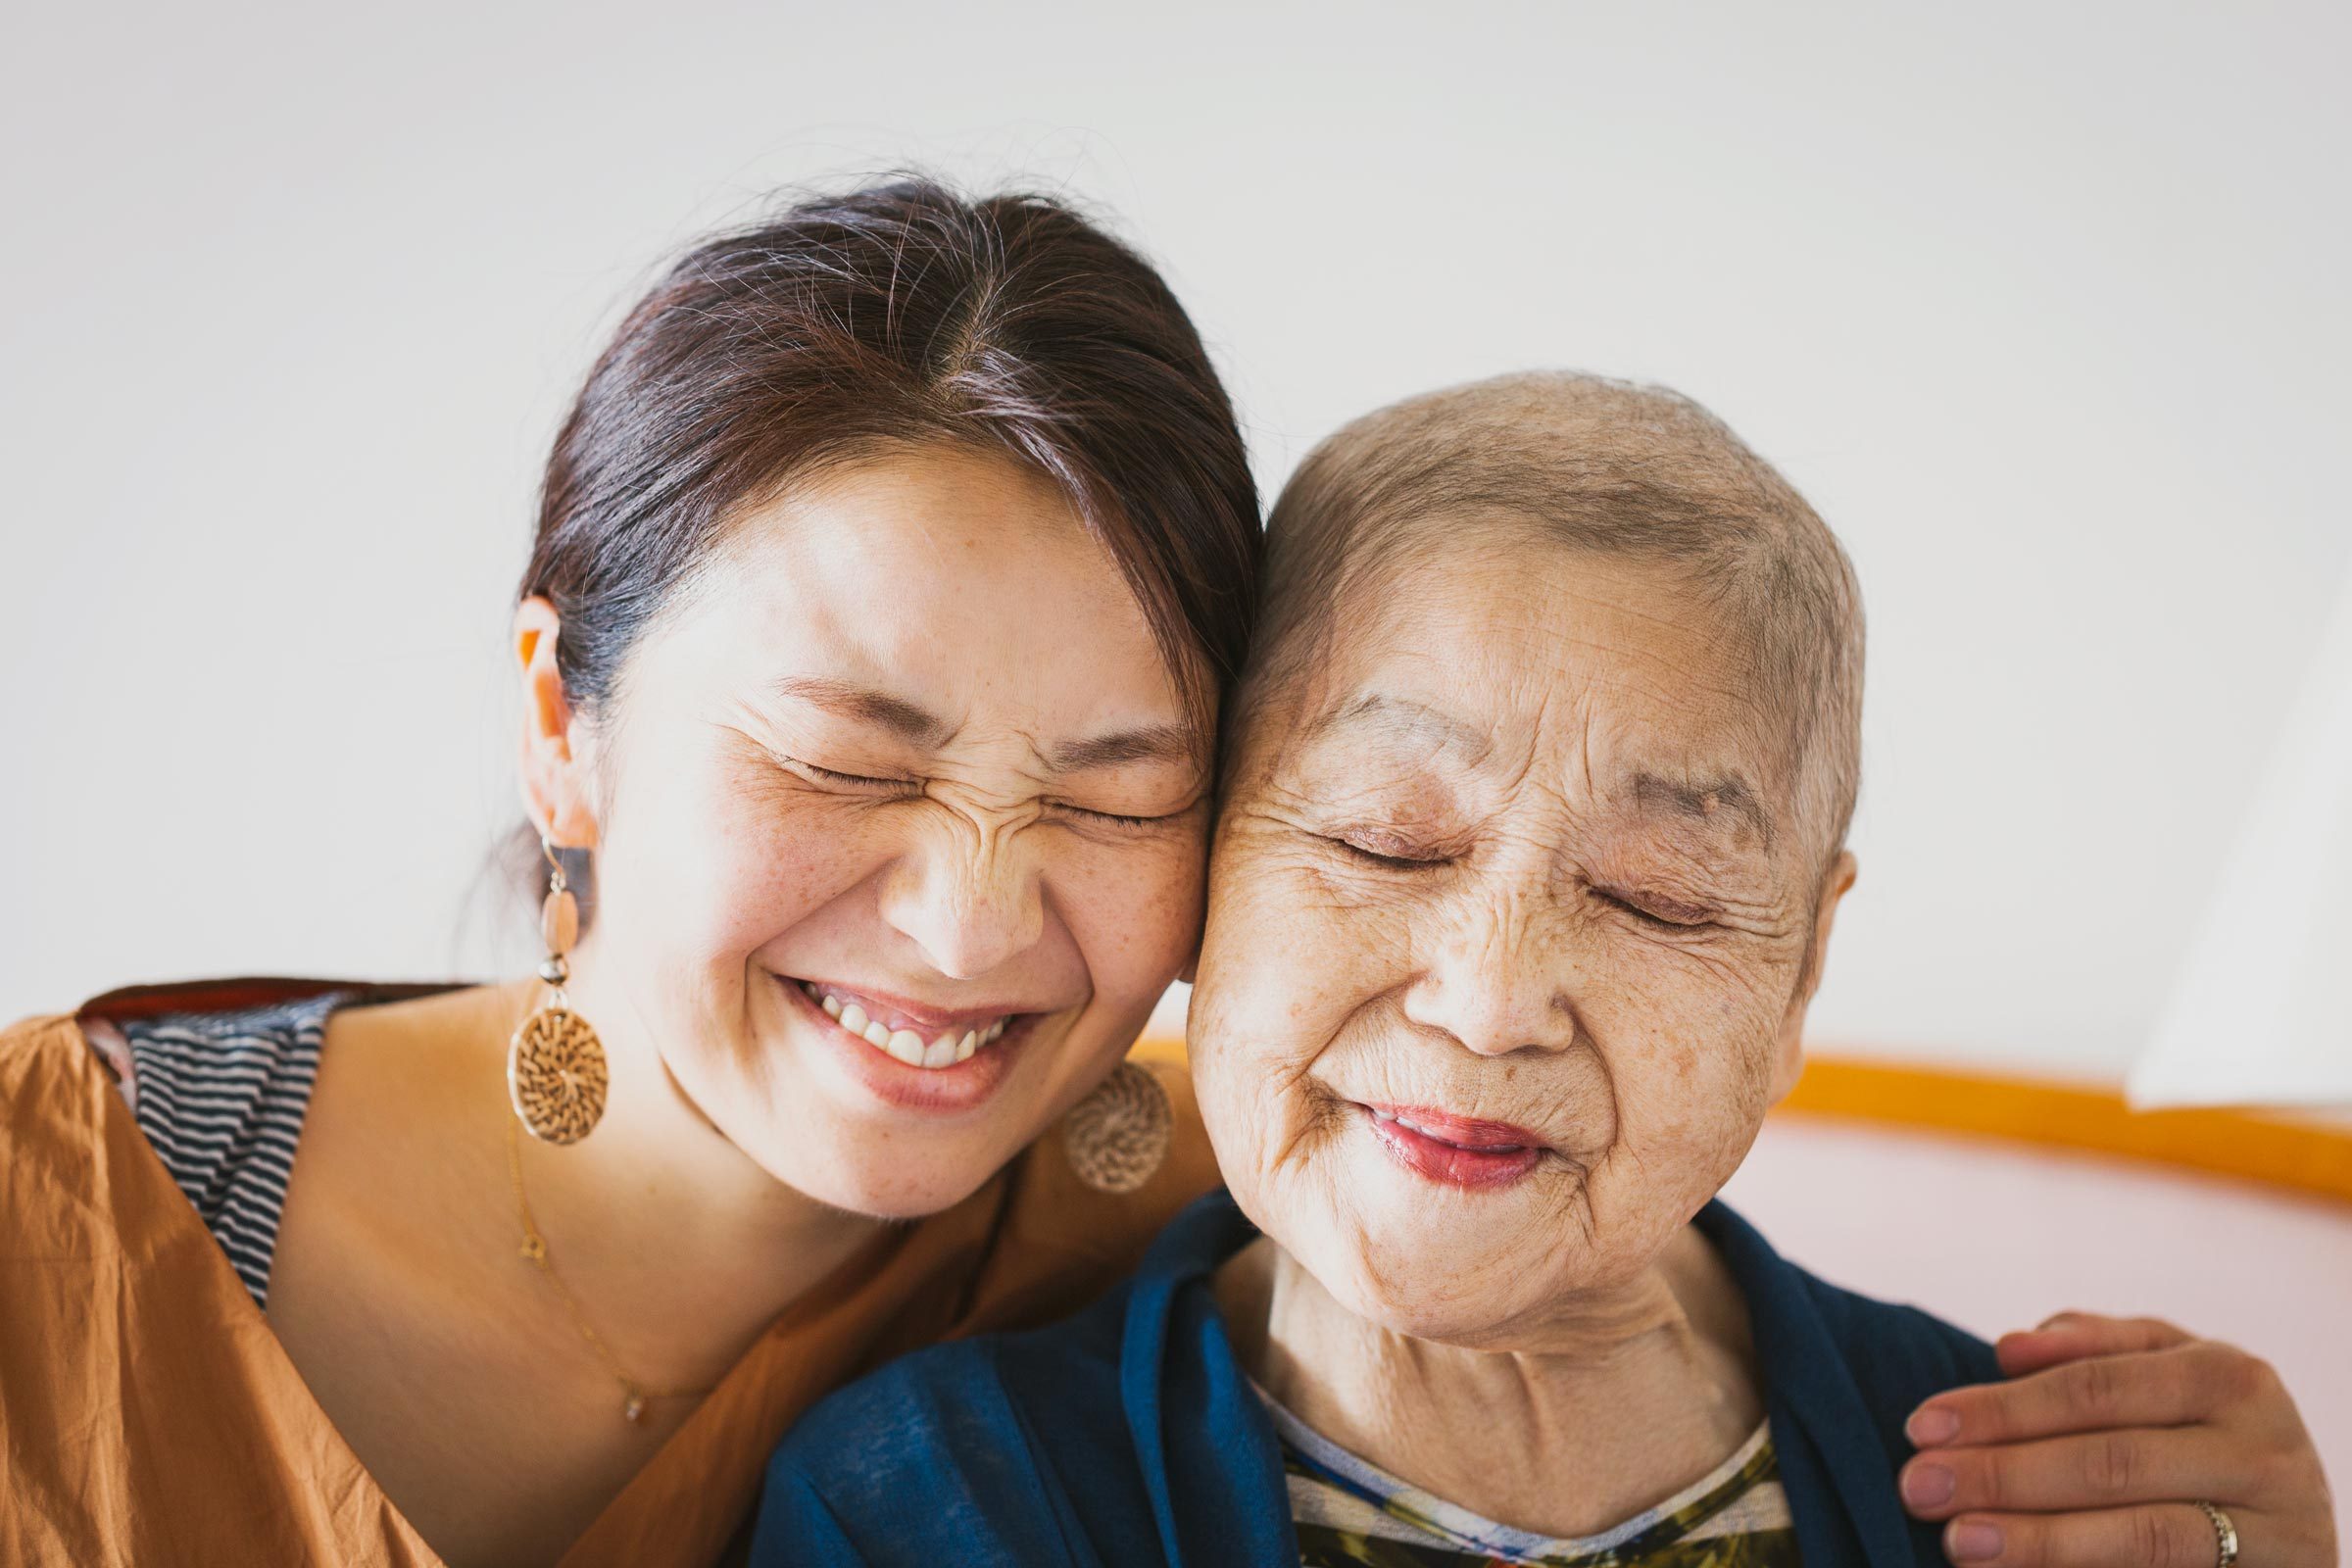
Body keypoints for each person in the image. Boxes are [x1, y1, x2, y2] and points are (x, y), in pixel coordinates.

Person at [0, 188, 2328, 1568]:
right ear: (560, 715)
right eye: (846, 754)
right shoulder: (53, 1245)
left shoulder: (1277, 1205)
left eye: (1118, 788)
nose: (966, 918)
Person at [752, 372, 2338, 1568]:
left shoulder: (2035, 1486)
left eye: (1654, 897)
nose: (1492, 996)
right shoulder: (946, 1493)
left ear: (1803, 973)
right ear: (1206, 871)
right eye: (1385, 843)